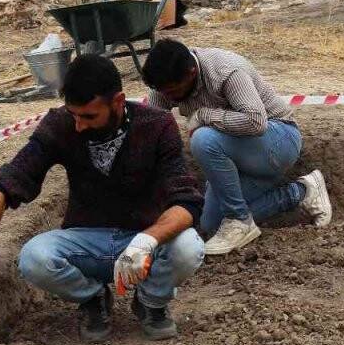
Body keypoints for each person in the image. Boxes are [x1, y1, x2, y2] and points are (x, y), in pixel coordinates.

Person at [0, 54, 205, 342]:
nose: (79, 125)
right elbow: (5, 183)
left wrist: (146, 241)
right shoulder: (60, 125)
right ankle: (94, 298)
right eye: (74, 115)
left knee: (188, 247)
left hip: (144, 239)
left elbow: (187, 202)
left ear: (118, 101)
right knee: (34, 259)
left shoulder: (157, 125)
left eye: (89, 116)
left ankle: (151, 302)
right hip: (87, 241)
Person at [142, 40, 332, 256]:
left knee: (203, 139)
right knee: (210, 223)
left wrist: (205, 115)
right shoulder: (164, 83)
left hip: (279, 141)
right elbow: (152, 130)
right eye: (162, 92)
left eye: (173, 92)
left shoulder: (226, 71)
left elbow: (256, 122)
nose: (168, 97)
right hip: (237, 155)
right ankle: (301, 192)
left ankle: (239, 220)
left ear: (191, 73)